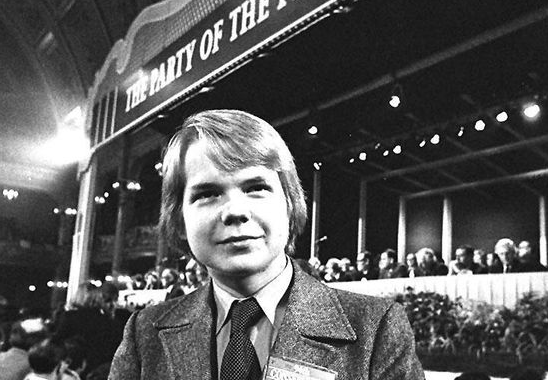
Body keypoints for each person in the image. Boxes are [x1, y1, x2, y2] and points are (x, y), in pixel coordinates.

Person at [109, 109, 423, 379]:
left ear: (290, 203)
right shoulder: (144, 334)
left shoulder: (377, 329)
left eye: (256, 187)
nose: (235, 211)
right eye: (207, 194)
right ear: (178, 220)